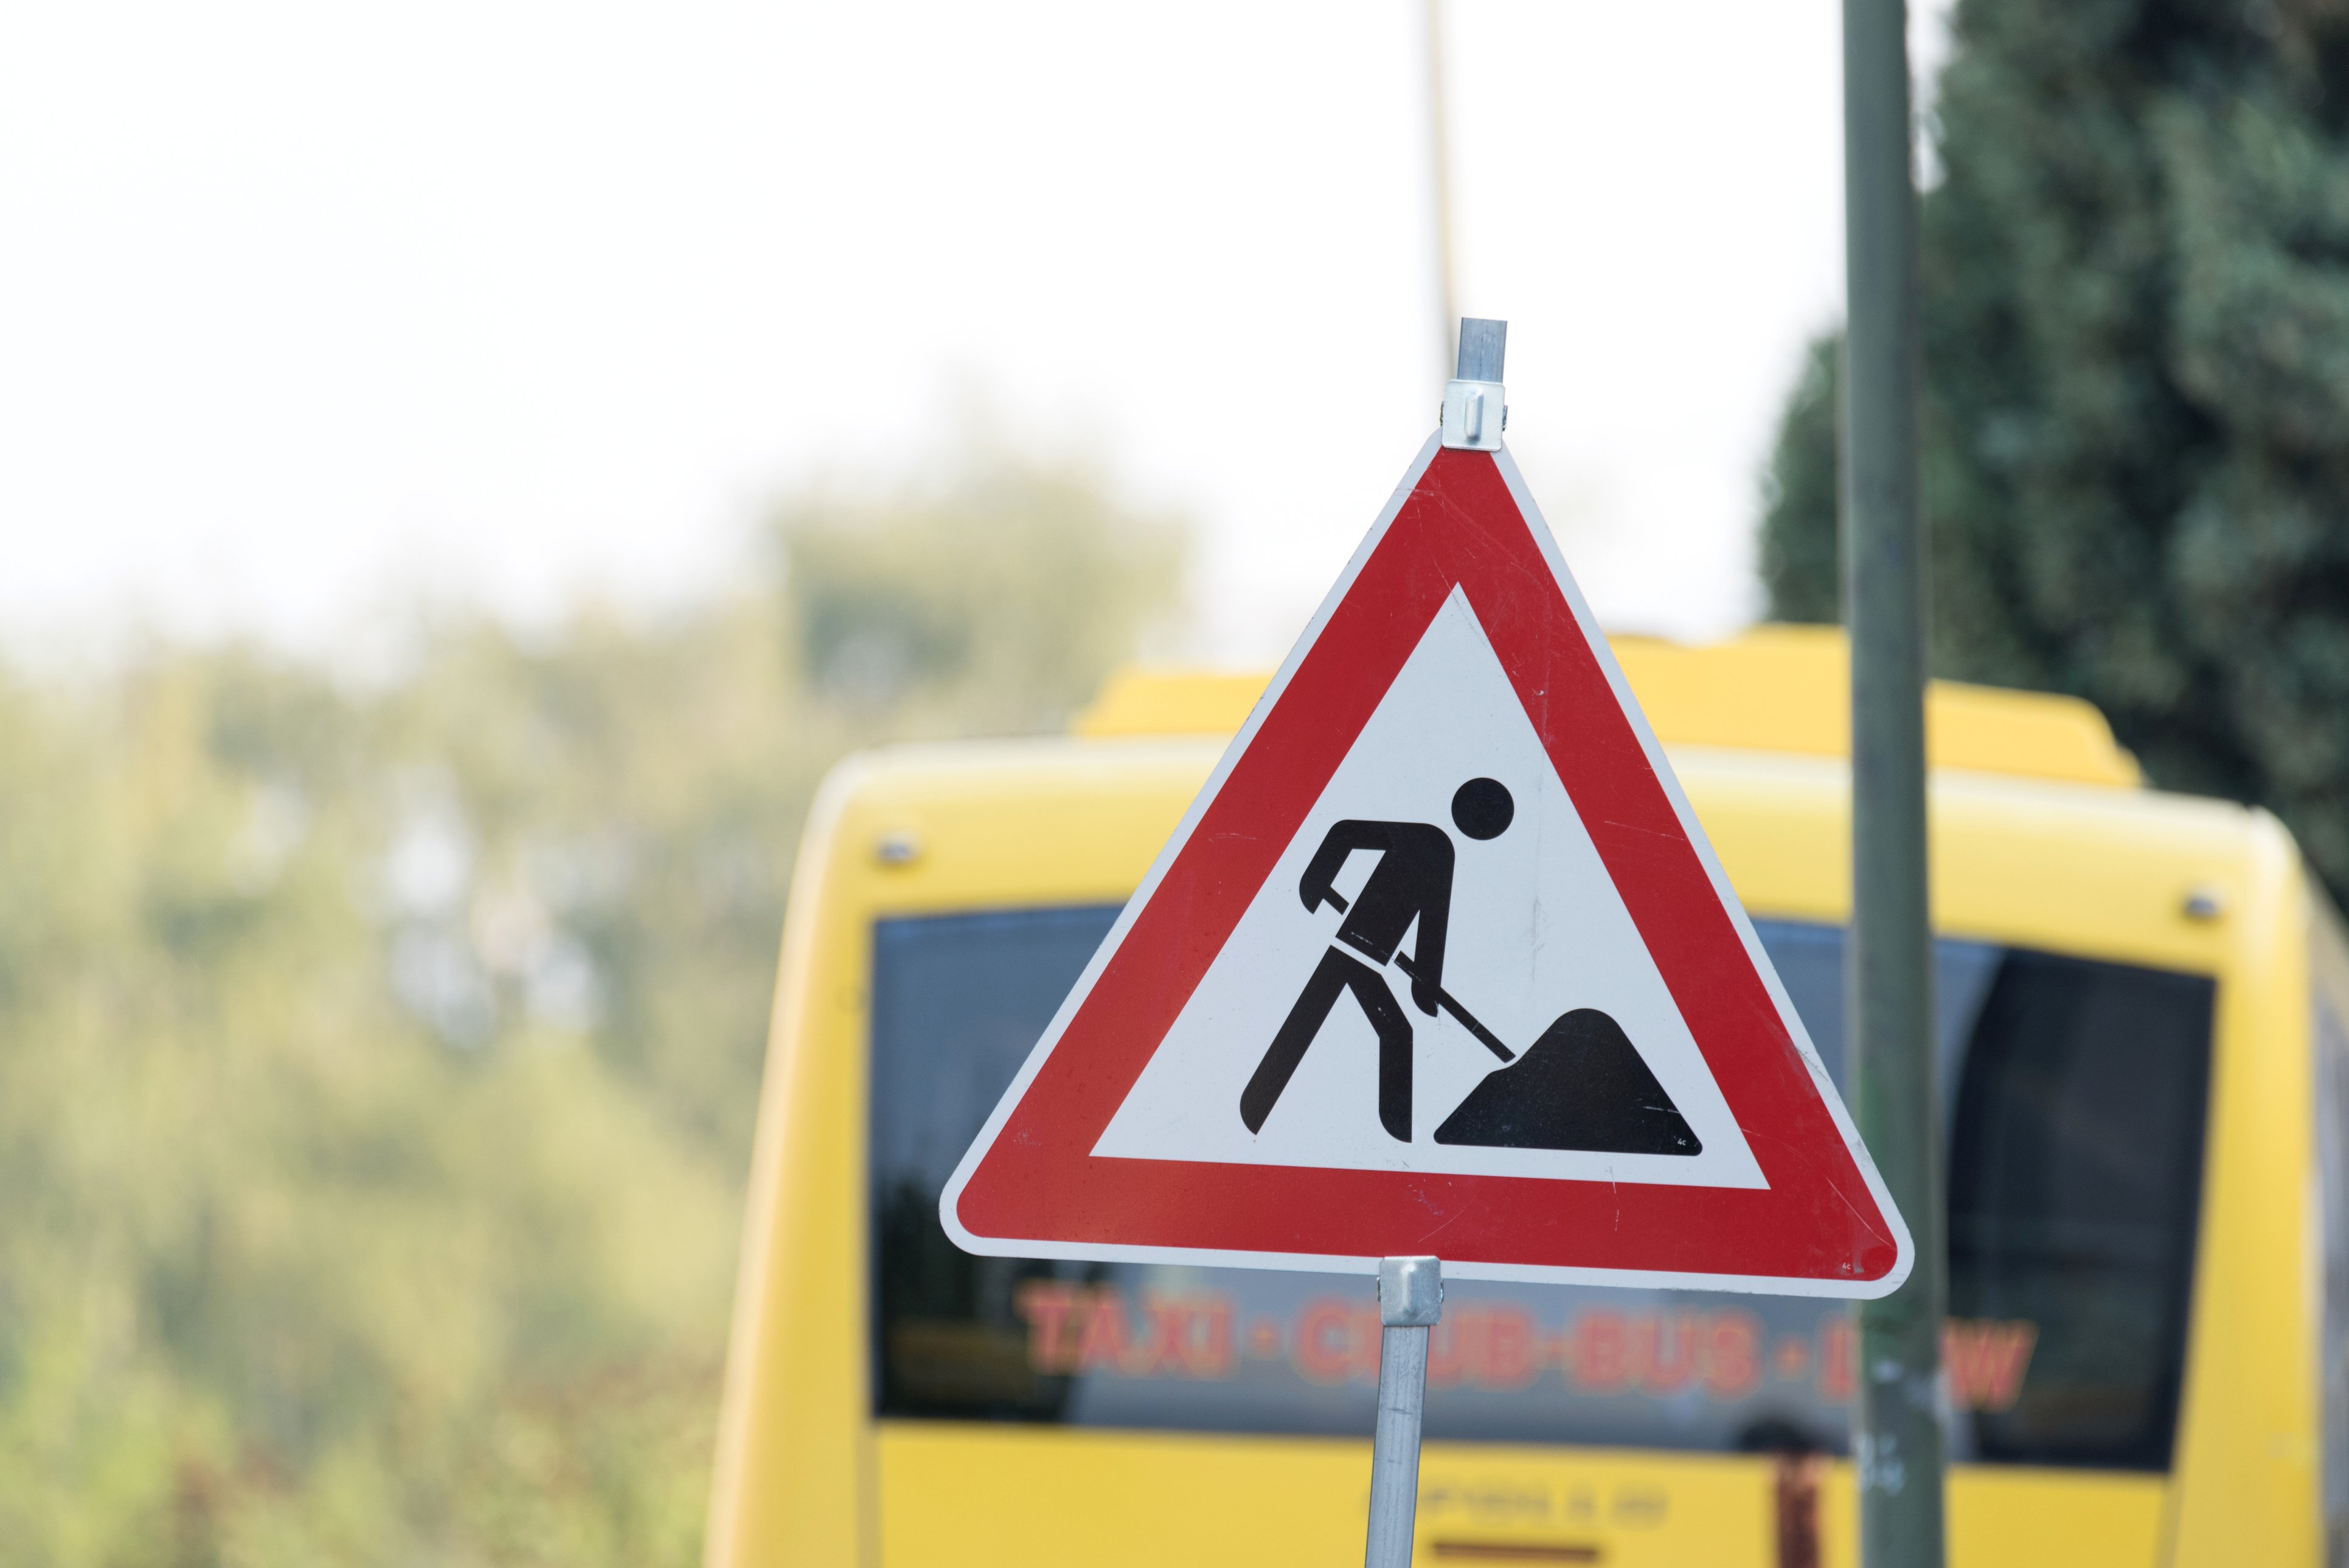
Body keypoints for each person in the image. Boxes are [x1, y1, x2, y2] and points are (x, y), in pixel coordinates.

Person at [1239, 777, 1513, 1140]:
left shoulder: (1437, 848)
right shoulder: (1432, 844)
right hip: (1352, 949)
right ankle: (1396, 1137)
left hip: (1365, 957)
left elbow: (1432, 926)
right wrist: (1315, 882)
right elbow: (1346, 833)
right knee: (1378, 1029)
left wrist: (1425, 986)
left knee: (1346, 1023)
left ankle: (1259, 1108)